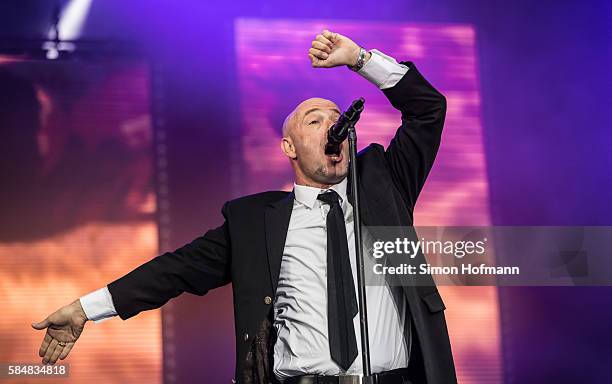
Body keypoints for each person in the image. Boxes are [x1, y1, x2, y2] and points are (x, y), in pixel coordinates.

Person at [32, 29, 456, 384]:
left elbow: (427, 109)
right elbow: (173, 271)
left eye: (335, 116)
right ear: (289, 147)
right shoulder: (253, 222)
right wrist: (86, 309)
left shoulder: (384, 184)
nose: (332, 124)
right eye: (314, 120)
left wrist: (359, 58)